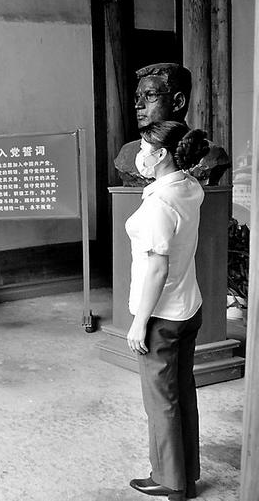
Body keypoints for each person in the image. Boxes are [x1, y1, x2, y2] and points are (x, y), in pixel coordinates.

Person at [124, 122, 210, 501]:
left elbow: (157, 269)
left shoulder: (160, 204)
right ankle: (186, 475)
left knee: (160, 401)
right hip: (188, 306)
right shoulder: (189, 187)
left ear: (161, 154)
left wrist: (139, 322)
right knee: (182, 394)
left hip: (162, 315)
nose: (140, 154)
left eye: (145, 148)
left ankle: (170, 482)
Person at [114, 63, 228, 187]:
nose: (138, 105)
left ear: (178, 102)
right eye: (138, 97)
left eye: (150, 95)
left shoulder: (211, 153)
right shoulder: (127, 153)